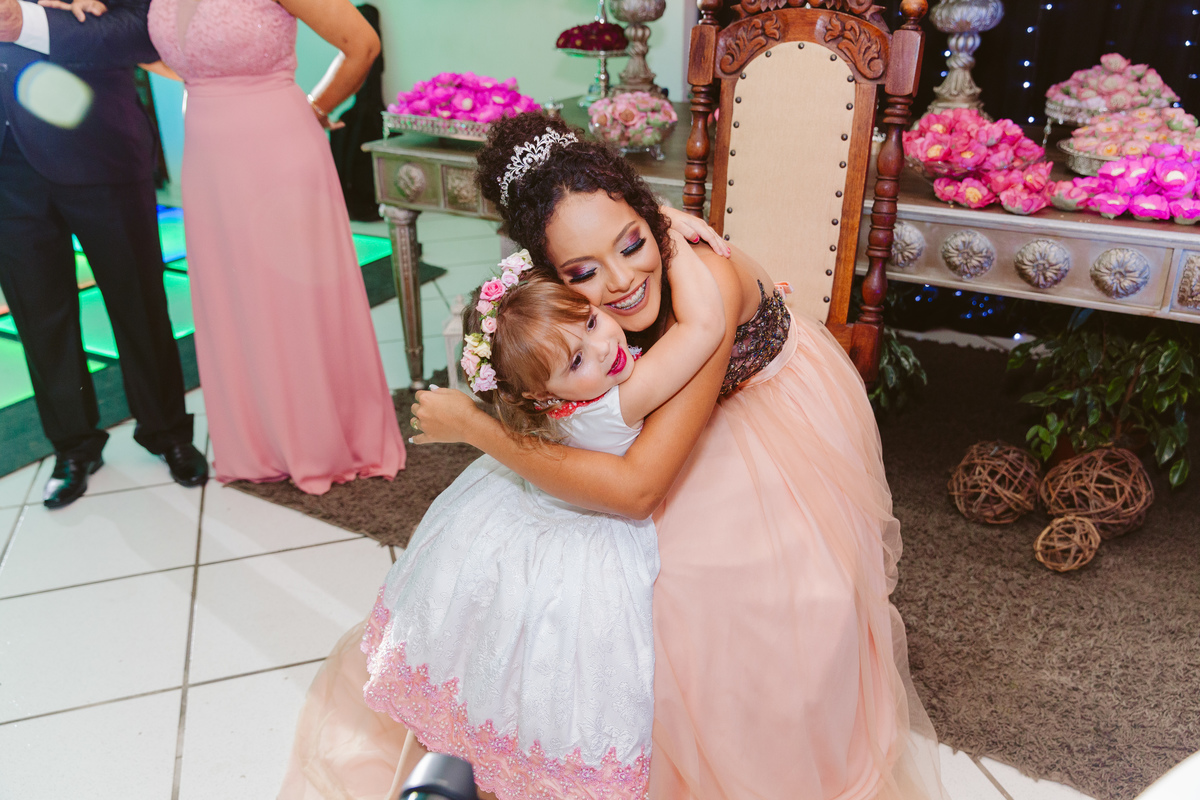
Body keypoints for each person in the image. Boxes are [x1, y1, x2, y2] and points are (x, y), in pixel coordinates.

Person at [407, 113, 949, 800]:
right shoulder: (594, 304)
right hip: (668, 404)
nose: (622, 280)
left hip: (758, 418)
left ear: (646, 217)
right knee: (520, 561)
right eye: (582, 271)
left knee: (677, 595)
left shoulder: (708, 287)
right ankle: (508, 746)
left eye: (633, 242)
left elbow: (636, 490)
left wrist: (483, 429)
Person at [356, 240, 723, 800]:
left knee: (499, 663)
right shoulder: (618, 401)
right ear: (543, 397)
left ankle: (477, 765)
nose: (603, 350)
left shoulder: (547, 411)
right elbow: (704, 327)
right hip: (587, 546)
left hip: (514, 523)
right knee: (572, 674)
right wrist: (670, 238)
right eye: (575, 360)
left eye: (594, 322)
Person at [138, 0, 404, 494]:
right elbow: (167, 50)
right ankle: (258, 440)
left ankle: (322, 438)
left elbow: (362, 44)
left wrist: (318, 106)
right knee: (234, 295)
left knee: (291, 295)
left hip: (276, 148)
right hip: (208, 155)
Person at [0, 0, 207, 508]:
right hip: (6, 175)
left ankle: (167, 433)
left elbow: (140, 30)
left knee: (137, 300)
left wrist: (25, 20)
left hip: (98, 148)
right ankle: (73, 446)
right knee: (38, 319)